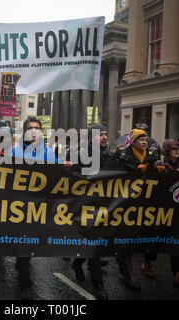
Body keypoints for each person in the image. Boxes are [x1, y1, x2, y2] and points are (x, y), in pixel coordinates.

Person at [108, 128, 157, 291]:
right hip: (124, 204)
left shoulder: (151, 157)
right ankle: (129, 276)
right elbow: (113, 175)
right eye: (141, 139)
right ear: (134, 142)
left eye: (146, 139)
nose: (144, 142)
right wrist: (135, 171)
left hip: (142, 205)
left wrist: (158, 172)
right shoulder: (122, 156)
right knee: (125, 240)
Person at [11, 117, 57, 289]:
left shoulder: (49, 153)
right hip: (18, 206)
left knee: (31, 242)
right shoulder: (13, 151)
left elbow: (58, 177)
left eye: (37, 128)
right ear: (24, 132)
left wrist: (67, 169)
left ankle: (22, 260)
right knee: (24, 241)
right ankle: (24, 277)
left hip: (39, 207)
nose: (33, 131)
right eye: (30, 128)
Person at [140, 139, 179, 290]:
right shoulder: (159, 164)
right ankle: (147, 262)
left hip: (177, 209)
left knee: (177, 240)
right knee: (157, 238)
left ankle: (178, 274)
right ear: (167, 150)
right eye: (174, 148)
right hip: (160, 209)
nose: (177, 151)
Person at [71, 123, 111, 300]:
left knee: (95, 243)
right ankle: (98, 285)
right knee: (94, 245)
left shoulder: (110, 155)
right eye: (100, 134)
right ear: (90, 138)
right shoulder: (80, 154)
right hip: (84, 205)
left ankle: (77, 264)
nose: (104, 137)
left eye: (105, 134)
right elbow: (71, 177)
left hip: (104, 206)